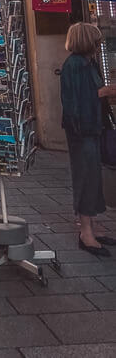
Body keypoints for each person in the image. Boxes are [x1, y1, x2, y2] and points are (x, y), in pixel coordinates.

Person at [60, 22, 116, 257]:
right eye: (95, 41)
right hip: (83, 131)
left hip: (94, 128)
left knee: (93, 178)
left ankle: (91, 227)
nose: (98, 45)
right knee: (85, 178)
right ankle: (86, 233)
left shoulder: (89, 64)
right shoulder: (74, 65)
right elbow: (74, 101)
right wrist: (103, 93)